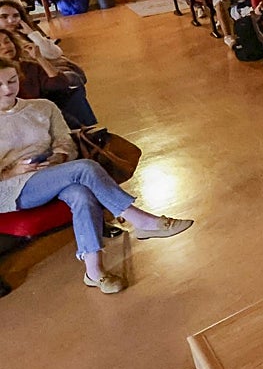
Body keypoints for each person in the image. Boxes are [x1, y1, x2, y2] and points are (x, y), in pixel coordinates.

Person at [0, 57, 192, 293]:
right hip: (11, 189)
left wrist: (58, 158)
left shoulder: (42, 107)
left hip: (55, 173)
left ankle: (95, 272)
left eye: (11, 81)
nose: (7, 89)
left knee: (80, 193)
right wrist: (12, 170)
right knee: (84, 168)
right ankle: (140, 220)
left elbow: (65, 143)